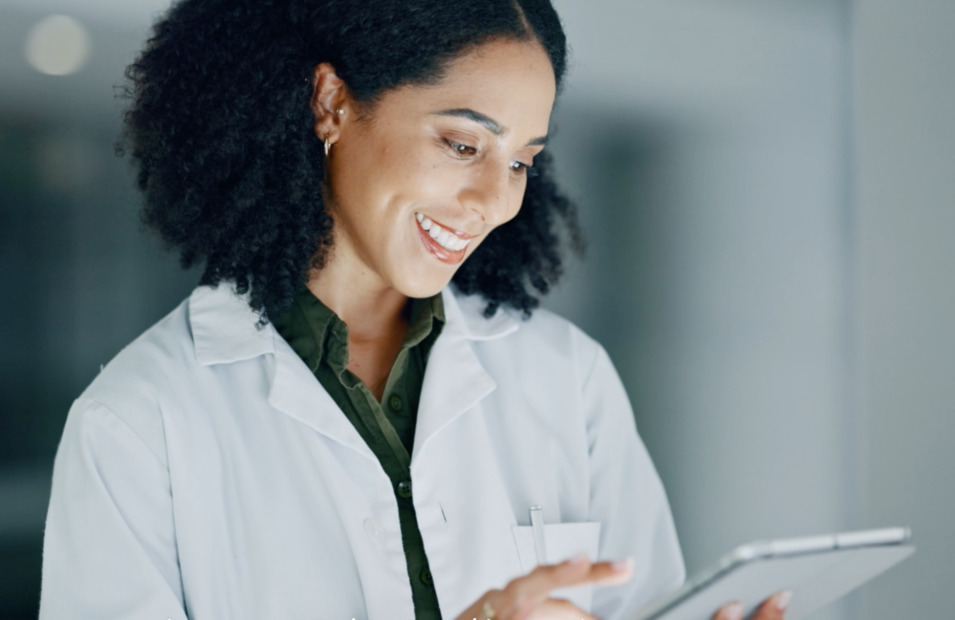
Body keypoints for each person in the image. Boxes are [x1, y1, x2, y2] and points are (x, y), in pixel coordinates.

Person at [39, 1, 791, 619]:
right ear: (331, 103)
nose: (495, 200)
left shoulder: (567, 378)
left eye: (522, 160)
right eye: (463, 145)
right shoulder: (137, 425)